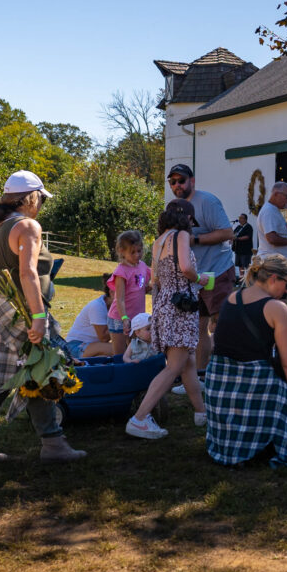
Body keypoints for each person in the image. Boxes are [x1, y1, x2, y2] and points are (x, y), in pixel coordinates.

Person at [0, 169, 86, 463]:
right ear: (29, 198)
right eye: (41, 199)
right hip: (21, 311)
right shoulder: (28, 226)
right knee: (40, 372)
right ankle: (53, 444)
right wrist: (38, 317)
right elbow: (27, 273)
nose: (41, 204)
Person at [204, 254, 287, 467]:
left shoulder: (231, 298)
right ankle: (267, 443)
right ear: (274, 278)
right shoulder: (276, 308)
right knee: (286, 397)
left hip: (218, 387)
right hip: (252, 382)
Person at [126, 199, 211, 439]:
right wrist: (199, 279)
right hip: (180, 310)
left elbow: (156, 282)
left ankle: (201, 413)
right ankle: (139, 418)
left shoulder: (158, 242)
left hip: (164, 306)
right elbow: (185, 267)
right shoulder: (181, 236)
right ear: (187, 218)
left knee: (187, 363)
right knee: (174, 366)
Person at [167, 164, 236, 372]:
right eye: (173, 182)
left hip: (217, 271)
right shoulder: (172, 207)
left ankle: (230, 370)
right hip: (194, 276)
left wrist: (194, 239)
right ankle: (202, 374)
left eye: (182, 180)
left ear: (192, 181)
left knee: (222, 324)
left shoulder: (208, 201)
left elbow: (227, 233)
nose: (177, 185)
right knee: (198, 328)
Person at [106, 230, 151, 356]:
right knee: (120, 355)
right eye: (132, 252)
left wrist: (152, 286)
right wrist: (125, 319)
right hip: (119, 319)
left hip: (136, 320)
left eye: (139, 251)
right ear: (122, 251)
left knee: (135, 352)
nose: (137, 255)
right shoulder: (121, 272)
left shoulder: (142, 266)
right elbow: (119, 298)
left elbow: (140, 289)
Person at [64, 273, 114, 359]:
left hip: (92, 347)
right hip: (74, 346)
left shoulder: (116, 307)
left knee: (105, 358)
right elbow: (104, 338)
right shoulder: (97, 306)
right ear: (112, 292)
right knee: (119, 349)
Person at [256, 181, 287, 260]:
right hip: (272, 264)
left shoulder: (273, 210)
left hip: (277, 263)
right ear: (276, 194)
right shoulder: (269, 211)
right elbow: (272, 238)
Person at [232, 213, 254, 279]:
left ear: (245, 219)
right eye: (239, 217)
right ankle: (242, 279)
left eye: (241, 218)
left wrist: (237, 238)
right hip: (238, 249)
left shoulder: (248, 227)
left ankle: (248, 279)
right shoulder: (238, 227)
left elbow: (247, 237)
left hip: (246, 250)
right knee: (240, 265)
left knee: (246, 265)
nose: (239, 219)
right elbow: (234, 234)